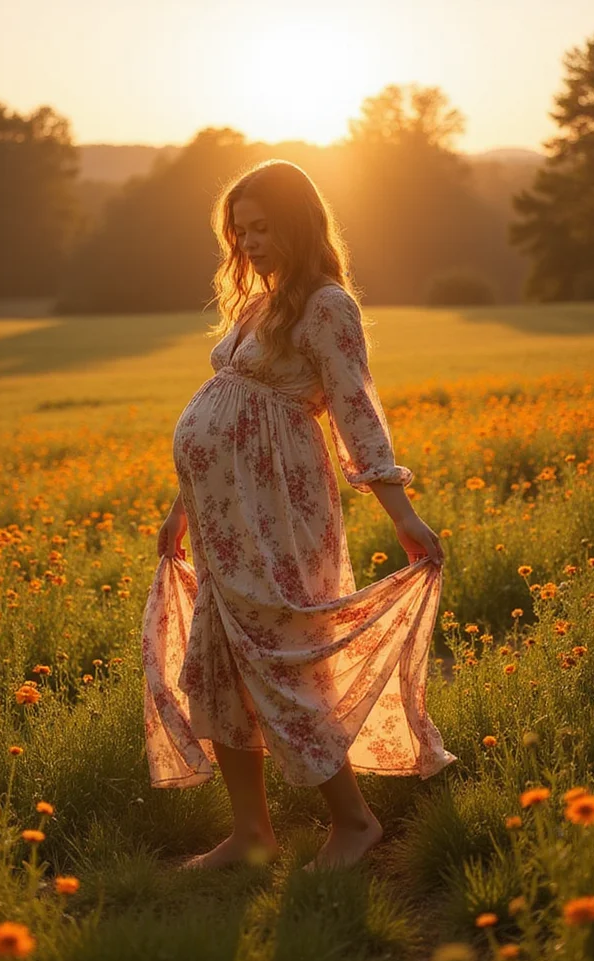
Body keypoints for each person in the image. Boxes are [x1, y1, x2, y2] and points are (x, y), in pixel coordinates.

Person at [141, 159, 457, 873]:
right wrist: (181, 509)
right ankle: (251, 833)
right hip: (224, 519)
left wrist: (402, 514)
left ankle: (354, 823)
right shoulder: (260, 305)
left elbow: (357, 413)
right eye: (240, 230)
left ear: (298, 223)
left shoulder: (326, 306)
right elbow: (217, 423)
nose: (249, 242)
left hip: (277, 512)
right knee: (217, 663)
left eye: (263, 227)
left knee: (285, 663)